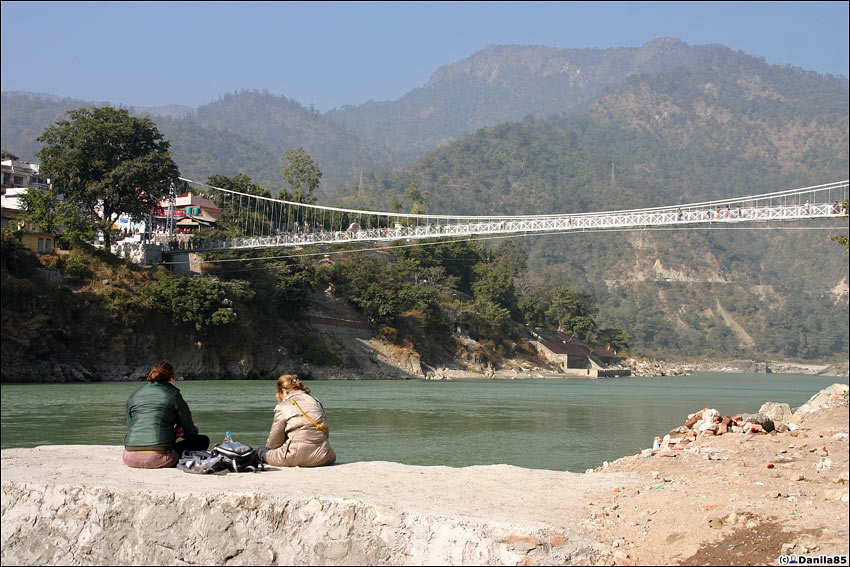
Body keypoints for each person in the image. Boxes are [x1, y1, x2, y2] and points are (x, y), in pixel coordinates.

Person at [123, 361, 209, 469]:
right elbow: (190, 433)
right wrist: (193, 430)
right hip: (159, 457)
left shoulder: (134, 396)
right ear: (171, 378)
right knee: (203, 440)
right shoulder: (173, 394)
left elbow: (131, 426)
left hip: (130, 456)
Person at [258, 374, 336, 467]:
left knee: (261, 451)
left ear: (283, 391)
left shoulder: (283, 406)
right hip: (324, 457)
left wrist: (268, 450)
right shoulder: (316, 401)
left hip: (293, 456)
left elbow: (274, 442)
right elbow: (325, 433)